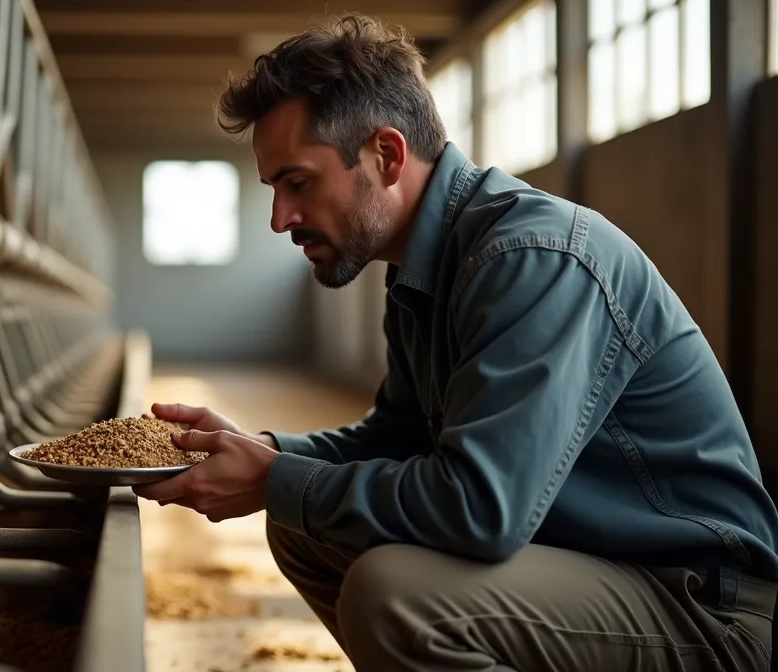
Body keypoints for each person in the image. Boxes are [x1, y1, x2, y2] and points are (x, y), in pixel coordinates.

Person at [131, 12, 778, 672]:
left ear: (386, 154)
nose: (280, 219)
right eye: (274, 190)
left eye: (298, 183)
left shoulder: (533, 259)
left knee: (397, 598)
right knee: (305, 524)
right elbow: (396, 438)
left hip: (695, 601)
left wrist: (276, 480)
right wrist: (260, 452)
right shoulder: (424, 269)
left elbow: (480, 509)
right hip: (586, 563)